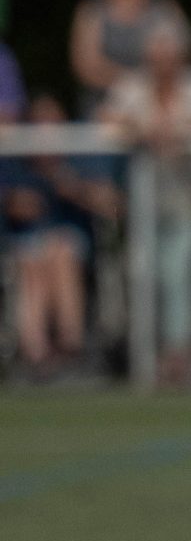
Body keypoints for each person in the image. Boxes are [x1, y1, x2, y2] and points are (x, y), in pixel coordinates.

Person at [103, 16, 191, 383]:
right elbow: (106, 122)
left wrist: (182, 132)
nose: (163, 63)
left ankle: (177, 354)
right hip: (143, 201)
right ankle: (146, 351)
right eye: (156, 55)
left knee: (178, 272)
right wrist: (141, 130)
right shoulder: (131, 86)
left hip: (189, 197)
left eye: (169, 55)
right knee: (144, 273)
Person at [1, 91, 111, 376]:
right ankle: (36, 351)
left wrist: (76, 190)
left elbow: (111, 204)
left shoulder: (78, 161)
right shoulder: (17, 163)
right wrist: (14, 203)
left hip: (68, 245)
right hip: (26, 246)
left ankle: (69, 344)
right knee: (33, 261)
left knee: (60, 252)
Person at [71, 0, 186, 113]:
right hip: (103, 106)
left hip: (156, 110)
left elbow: (181, 57)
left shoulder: (166, 9)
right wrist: (134, 84)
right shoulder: (92, 11)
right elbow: (86, 67)